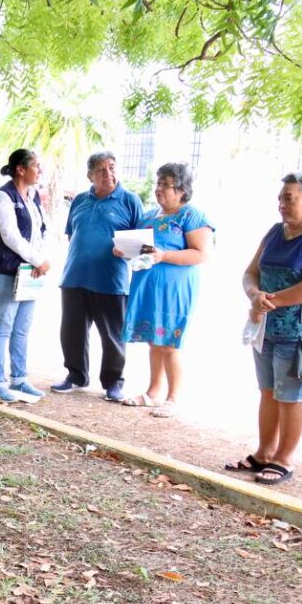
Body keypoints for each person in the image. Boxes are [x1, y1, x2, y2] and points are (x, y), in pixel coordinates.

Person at [117, 163, 213, 416]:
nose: (159, 189)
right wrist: (123, 249)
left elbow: (201, 253)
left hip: (174, 290)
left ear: (181, 190)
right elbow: (139, 250)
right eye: (158, 183)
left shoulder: (191, 215)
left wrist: (164, 255)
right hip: (148, 287)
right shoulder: (149, 216)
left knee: (169, 342)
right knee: (154, 341)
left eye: (165, 184)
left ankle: (173, 398)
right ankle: (153, 393)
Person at [230, 173, 302, 485]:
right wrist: (254, 295)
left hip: (296, 332)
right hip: (264, 329)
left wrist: (269, 301)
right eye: (280, 198)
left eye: (289, 198)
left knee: (291, 396)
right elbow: (250, 272)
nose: (281, 204)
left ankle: (283, 459)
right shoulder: (274, 232)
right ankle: (264, 452)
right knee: (268, 391)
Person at [53, 151, 144, 401]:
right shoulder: (80, 200)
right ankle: (76, 375)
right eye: (101, 170)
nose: (108, 174)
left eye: (112, 167)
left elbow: (142, 244)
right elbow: (72, 234)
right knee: (72, 333)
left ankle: (113, 382)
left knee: (113, 335)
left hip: (111, 280)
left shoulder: (130, 200)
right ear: (89, 175)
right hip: (74, 277)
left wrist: (126, 252)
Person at [0, 149, 51, 403]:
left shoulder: (33, 196)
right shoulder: (3, 196)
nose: (40, 170)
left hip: (29, 271)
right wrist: (37, 260)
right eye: (36, 165)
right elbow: (10, 235)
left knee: (22, 328)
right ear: (21, 169)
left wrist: (38, 260)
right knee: (3, 326)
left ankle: (19, 379)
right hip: (5, 271)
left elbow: (40, 231)